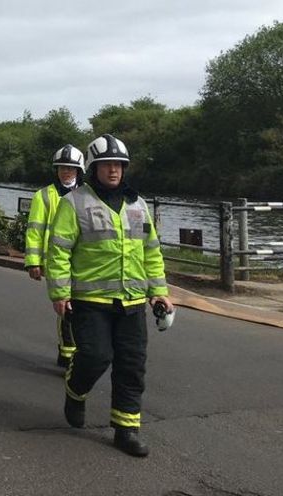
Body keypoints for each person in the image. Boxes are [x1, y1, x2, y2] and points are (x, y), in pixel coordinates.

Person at [45, 134, 174, 457]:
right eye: (107, 165)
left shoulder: (137, 205)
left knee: (132, 365)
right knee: (95, 357)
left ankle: (126, 429)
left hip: (132, 301)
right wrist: (60, 293)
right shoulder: (74, 203)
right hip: (91, 302)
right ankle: (76, 390)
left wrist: (159, 292)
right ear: (94, 168)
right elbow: (58, 251)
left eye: (118, 165)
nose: (114, 170)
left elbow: (151, 251)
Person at [24, 145, 85, 368]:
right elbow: (35, 230)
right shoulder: (44, 196)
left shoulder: (88, 194)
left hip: (83, 261)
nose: (66, 172)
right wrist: (33, 262)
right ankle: (68, 354)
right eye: (62, 168)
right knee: (66, 306)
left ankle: (73, 350)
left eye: (70, 168)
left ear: (78, 170)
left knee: (82, 307)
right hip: (56, 260)